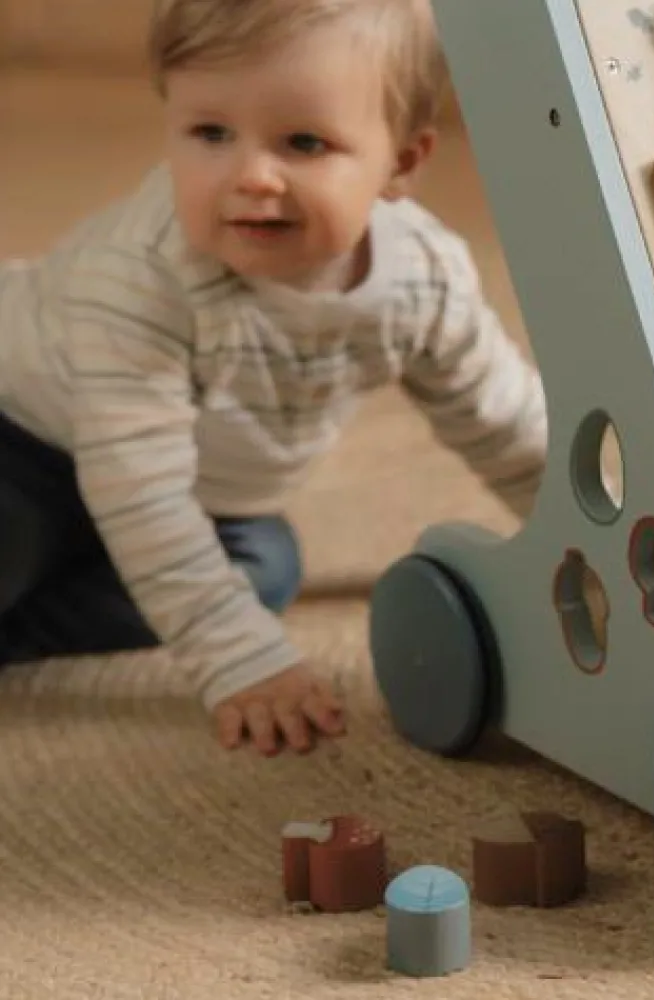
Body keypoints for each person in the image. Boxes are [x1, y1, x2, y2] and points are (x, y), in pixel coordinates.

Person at [0, 0, 547, 756]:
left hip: (196, 488)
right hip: (24, 434)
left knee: (264, 572)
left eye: (303, 142)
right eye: (211, 134)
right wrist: (239, 662)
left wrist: (580, 535)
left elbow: (505, 424)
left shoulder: (423, 283)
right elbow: (138, 486)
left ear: (402, 163)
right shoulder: (141, 276)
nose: (253, 175)